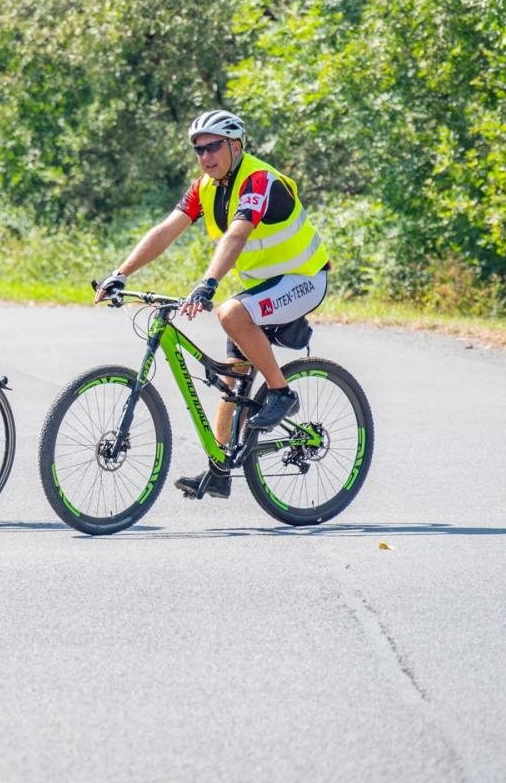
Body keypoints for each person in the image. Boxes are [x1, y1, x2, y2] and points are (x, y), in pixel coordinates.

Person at [94, 109, 331, 499]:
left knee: (231, 312)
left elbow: (237, 235)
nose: (205, 156)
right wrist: (121, 272)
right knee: (233, 380)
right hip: (265, 286)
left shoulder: (258, 179)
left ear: (235, 146)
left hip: (305, 278)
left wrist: (208, 284)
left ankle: (281, 393)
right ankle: (220, 469)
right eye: (198, 149)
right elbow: (166, 231)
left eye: (213, 147)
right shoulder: (204, 186)